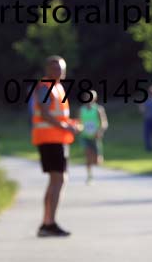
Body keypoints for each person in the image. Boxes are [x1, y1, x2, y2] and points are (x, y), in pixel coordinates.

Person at [31, 55, 81, 237]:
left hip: (56, 139)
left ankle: (48, 222)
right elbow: (45, 114)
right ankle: (48, 223)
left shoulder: (57, 88)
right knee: (58, 179)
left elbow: (58, 115)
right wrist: (66, 126)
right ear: (47, 70)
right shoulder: (46, 87)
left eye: (61, 68)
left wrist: (71, 124)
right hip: (50, 139)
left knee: (56, 180)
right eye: (55, 68)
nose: (58, 71)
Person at [78, 90, 108, 184]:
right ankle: (89, 176)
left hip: (95, 137)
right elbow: (79, 122)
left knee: (97, 160)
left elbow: (104, 123)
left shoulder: (98, 109)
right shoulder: (81, 110)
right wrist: (79, 128)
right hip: (85, 136)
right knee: (88, 156)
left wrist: (100, 131)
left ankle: (98, 172)